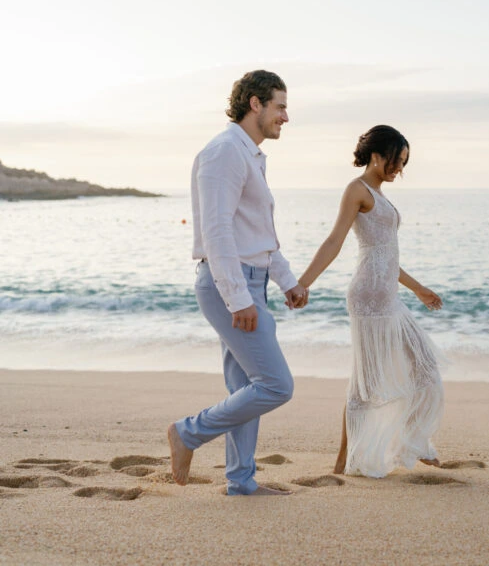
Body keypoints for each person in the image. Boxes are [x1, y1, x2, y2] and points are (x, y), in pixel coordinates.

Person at [167, 70, 308, 496]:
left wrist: (287, 281)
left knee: (246, 388)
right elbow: (217, 231)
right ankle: (187, 433)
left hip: (251, 280)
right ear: (255, 103)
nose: (286, 116)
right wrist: (238, 298)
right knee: (275, 385)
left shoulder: (250, 155)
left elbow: (257, 234)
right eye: (280, 106)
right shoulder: (225, 151)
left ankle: (241, 482)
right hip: (230, 284)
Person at [298, 125, 444, 478]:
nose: (399, 169)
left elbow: (387, 255)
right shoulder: (356, 190)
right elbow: (334, 241)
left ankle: (410, 440)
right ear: (376, 156)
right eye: (396, 160)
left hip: (389, 297)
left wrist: (417, 288)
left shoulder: (381, 194)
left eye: (404, 162)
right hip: (367, 298)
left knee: (425, 365)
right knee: (365, 385)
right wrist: (303, 283)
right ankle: (345, 460)